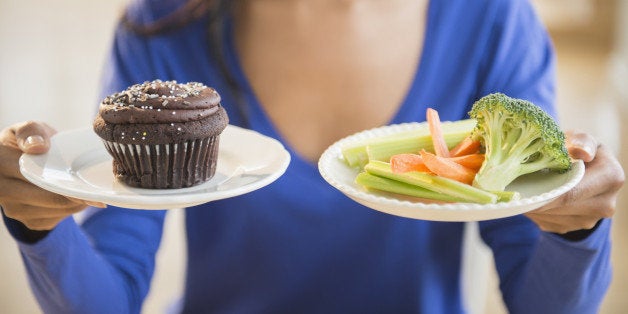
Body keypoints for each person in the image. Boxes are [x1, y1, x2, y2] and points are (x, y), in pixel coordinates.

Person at [0, 0, 624, 313]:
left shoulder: (491, 19)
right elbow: (109, 291)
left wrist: (578, 230)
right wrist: (38, 225)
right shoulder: (163, 26)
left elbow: (540, 298)